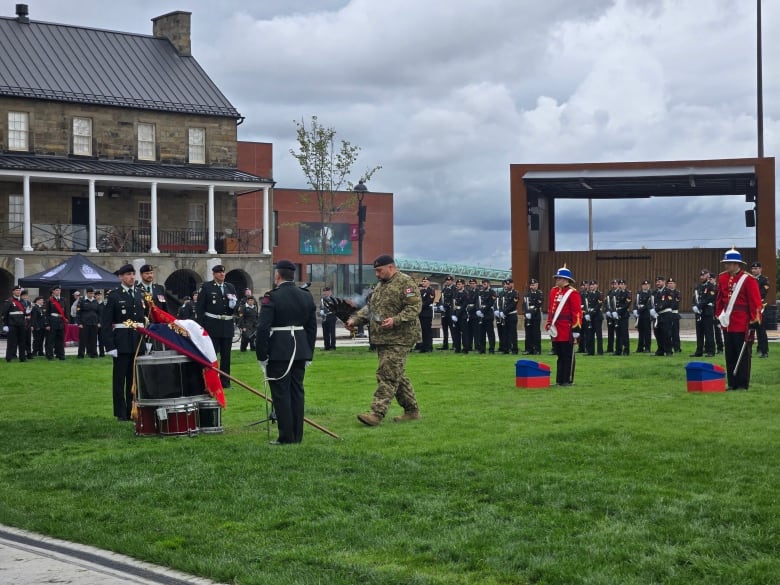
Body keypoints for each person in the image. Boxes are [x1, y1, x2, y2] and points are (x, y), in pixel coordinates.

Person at [346, 254, 422, 426]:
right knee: (397, 375)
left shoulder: (406, 282)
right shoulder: (380, 286)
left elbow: (414, 307)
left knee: (387, 375)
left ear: (391, 267)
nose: (377, 274)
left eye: (379, 270)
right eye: (376, 271)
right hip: (383, 338)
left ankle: (376, 413)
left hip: (400, 337)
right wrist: (354, 320)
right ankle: (412, 411)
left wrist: (396, 320)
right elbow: (370, 309)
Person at [255, 259, 317, 444]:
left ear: (277, 275)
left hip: (279, 351)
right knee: (297, 392)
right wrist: (309, 353)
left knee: (281, 394)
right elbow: (312, 328)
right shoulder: (306, 295)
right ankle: (297, 436)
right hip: (300, 349)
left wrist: (261, 355)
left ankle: (286, 437)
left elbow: (263, 328)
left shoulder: (271, 296)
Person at [101, 264, 146, 421]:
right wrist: (110, 346)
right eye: (128, 274)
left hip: (137, 342)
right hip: (121, 343)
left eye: (133, 274)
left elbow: (144, 320)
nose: (132, 277)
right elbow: (106, 323)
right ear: (120, 277)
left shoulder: (140, 294)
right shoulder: (114, 296)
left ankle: (132, 409)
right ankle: (121, 412)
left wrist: (146, 341)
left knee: (134, 380)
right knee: (120, 380)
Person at [715, 248, 762, 391]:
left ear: (736, 264)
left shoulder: (748, 279)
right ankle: (732, 383)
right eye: (725, 263)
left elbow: (755, 301)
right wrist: (718, 315)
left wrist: (755, 320)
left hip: (742, 322)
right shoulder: (722, 277)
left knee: (742, 355)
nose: (726, 266)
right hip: (727, 322)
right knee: (729, 354)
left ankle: (742, 383)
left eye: (728, 263)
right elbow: (720, 299)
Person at [196, 265, 238, 388]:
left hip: (227, 325)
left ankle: (226, 382)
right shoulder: (207, 287)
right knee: (211, 355)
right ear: (214, 274)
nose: (222, 274)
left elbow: (235, 305)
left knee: (226, 356)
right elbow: (200, 308)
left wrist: (233, 306)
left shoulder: (230, 287)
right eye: (219, 272)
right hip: (212, 325)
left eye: (223, 272)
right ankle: (211, 382)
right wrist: (201, 327)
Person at [544, 264, 582, 386]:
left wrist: (576, 329)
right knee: (559, 355)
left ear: (566, 280)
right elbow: (551, 309)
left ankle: (567, 379)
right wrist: (549, 323)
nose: (557, 280)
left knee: (567, 355)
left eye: (559, 278)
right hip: (556, 328)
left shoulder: (572, 293)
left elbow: (577, 312)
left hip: (567, 327)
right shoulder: (553, 291)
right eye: (557, 278)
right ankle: (559, 380)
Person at [691, 269, 716, 357]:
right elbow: (695, 298)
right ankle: (699, 351)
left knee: (709, 332)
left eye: (703, 275)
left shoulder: (711, 286)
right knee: (699, 333)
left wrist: (699, 306)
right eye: (701, 276)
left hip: (707, 312)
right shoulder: (698, 287)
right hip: (699, 312)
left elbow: (709, 298)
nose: (701, 277)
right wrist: (694, 306)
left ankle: (711, 351)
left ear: (708, 276)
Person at [2, 284, 28, 362]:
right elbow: (4, 314)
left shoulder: (23, 301)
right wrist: (5, 324)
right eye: (16, 290)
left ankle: (22, 358)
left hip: (21, 324)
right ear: (13, 292)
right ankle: (9, 357)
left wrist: (28, 312)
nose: (18, 292)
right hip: (12, 324)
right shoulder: (9, 301)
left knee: (22, 342)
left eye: (19, 290)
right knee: (11, 342)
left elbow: (24, 313)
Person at [750, 261, 770, 358]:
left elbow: (763, 293)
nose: (754, 270)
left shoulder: (763, 280)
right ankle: (749, 349)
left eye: (756, 268)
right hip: (750, 308)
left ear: (760, 269)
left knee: (761, 331)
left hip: (759, 307)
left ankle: (764, 351)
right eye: (753, 269)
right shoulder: (749, 279)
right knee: (749, 330)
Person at [45, 284, 68, 360]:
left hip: (61, 321)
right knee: (51, 340)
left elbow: (65, 311)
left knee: (60, 339)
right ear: (53, 292)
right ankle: (50, 355)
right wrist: (47, 324)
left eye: (59, 290)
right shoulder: (49, 300)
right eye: (57, 290)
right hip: (52, 321)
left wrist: (66, 320)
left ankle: (61, 354)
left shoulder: (63, 300)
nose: (58, 291)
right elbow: (47, 313)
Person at [77, 287, 101, 358]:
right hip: (84, 323)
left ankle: (93, 354)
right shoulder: (82, 300)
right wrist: (79, 323)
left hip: (94, 323)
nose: (92, 294)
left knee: (93, 339)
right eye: (90, 293)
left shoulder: (95, 301)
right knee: (83, 340)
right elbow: (78, 312)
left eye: (93, 293)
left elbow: (99, 313)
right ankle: (81, 354)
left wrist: (99, 322)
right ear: (87, 293)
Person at [521, 278, 542, 355]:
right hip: (527, 316)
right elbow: (524, 305)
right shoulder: (527, 294)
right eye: (531, 285)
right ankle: (528, 349)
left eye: (533, 285)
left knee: (536, 333)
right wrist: (525, 313)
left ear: (537, 285)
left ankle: (537, 349)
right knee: (528, 333)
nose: (531, 286)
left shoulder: (539, 293)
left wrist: (531, 313)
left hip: (536, 316)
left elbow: (538, 304)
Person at [583, 280, 604, 356]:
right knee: (590, 335)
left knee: (598, 335)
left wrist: (590, 313)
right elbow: (586, 305)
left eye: (593, 285)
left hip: (597, 317)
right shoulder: (587, 294)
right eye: (591, 285)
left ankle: (600, 351)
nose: (592, 286)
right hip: (590, 317)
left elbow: (598, 306)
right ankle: (590, 351)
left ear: (597, 286)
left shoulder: (599, 294)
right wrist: (586, 313)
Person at [500, 277, 521, 355]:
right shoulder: (505, 293)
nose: (507, 286)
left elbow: (513, 304)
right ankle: (506, 348)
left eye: (508, 284)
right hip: (506, 316)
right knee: (505, 333)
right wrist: (502, 312)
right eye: (506, 284)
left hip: (512, 315)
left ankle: (514, 349)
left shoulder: (515, 293)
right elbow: (503, 304)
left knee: (513, 333)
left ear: (512, 284)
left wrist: (504, 312)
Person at [477, 279, 496, 354]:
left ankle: (491, 349)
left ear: (488, 284)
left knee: (490, 333)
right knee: (481, 333)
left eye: (484, 284)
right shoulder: (480, 292)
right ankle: (482, 349)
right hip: (481, 315)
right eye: (482, 284)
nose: (483, 285)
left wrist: (482, 311)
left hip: (488, 314)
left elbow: (490, 303)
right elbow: (478, 302)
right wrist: (478, 310)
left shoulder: (492, 292)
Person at [613, 279, 631, 356]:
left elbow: (627, 304)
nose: (620, 286)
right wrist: (614, 311)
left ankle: (626, 350)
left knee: (624, 333)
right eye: (619, 284)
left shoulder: (628, 293)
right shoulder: (617, 293)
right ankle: (618, 350)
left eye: (622, 284)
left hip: (624, 315)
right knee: (618, 334)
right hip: (617, 316)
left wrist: (618, 311)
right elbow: (614, 303)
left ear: (625, 285)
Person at [634, 280, 653, 353]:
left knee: (647, 332)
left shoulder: (651, 293)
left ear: (649, 286)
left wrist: (640, 309)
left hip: (646, 314)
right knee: (640, 331)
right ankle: (640, 347)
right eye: (644, 285)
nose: (646, 286)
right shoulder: (639, 293)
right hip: (640, 315)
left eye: (647, 284)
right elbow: (635, 302)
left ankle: (647, 348)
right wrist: (635, 310)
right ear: (642, 286)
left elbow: (648, 304)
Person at [417, 277, 435, 353]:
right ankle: (423, 346)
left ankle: (429, 347)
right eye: (423, 281)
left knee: (427, 330)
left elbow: (429, 301)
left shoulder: (431, 291)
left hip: (427, 313)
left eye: (425, 281)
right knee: (422, 331)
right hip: (421, 313)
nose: (423, 282)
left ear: (429, 283)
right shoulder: (421, 291)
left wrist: (420, 306)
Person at [438, 275, 455, 350]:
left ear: (452, 281)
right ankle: (445, 345)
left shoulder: (454, 289)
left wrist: (446, 306)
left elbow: (453, 300)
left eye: (449, 280)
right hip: (444, 312)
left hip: (450, 311)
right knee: (444, 329)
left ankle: (455, 345)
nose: (447, 282)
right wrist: (440, 305)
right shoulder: (444, 289)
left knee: (452, 329)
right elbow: (440, 300)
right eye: (446, 280)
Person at [451, 278, 467, 353]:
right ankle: (457, 348)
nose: (458, 285)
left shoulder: (465, 293)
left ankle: (465, 348)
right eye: (457, 284)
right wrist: (453, 314)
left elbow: (464, 306)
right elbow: (453, 305)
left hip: (462, 315)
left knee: (464, 333)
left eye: (459, 284)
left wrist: (457, 315)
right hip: (455, 315)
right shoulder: (455, 293)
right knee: (456, 333)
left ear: (463, 285)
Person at [667, 277, 682, 353]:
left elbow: (675, 302)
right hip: (667, 314)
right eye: (669, 283)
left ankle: (677, 347)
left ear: (675, 284)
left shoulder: (677, 292)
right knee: (667, 332)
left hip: (674, 313)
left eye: (671, 283)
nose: (670, 285)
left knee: (675, 332)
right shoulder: (665, 292)